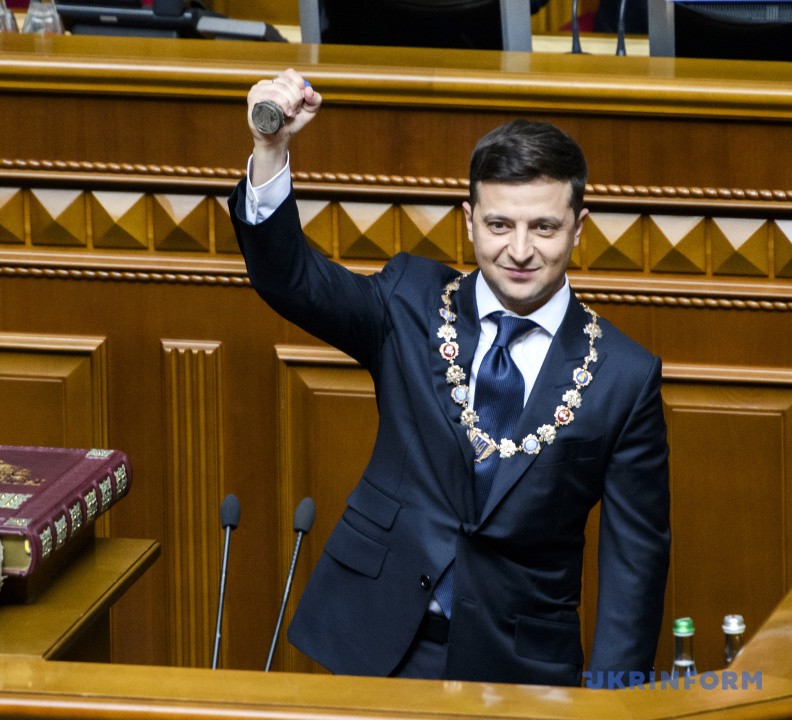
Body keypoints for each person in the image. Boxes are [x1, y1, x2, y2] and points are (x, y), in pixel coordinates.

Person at [229, 70, 670, 686]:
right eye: (499, 225)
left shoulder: (625, 376)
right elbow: (290, 278)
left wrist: (611, 704)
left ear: (579, 226)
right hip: (375, 642)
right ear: (469, 220)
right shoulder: (409, 298)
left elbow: (634, 568)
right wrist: (271, 148)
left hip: (519, 667)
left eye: (544, 227)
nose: (520, 250)